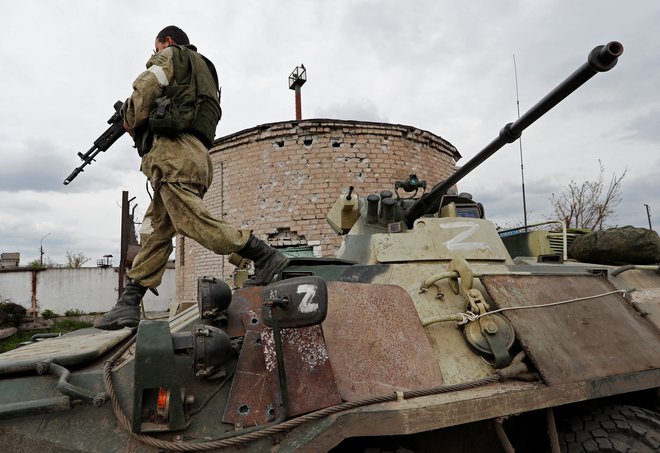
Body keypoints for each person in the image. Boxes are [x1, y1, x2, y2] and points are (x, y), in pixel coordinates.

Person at [95, 26, 287, 330]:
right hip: (195, 155)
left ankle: (263, 254)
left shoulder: (170, 56)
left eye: (156, 47)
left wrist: (130, 119)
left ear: (167, 42)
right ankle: (129, 302)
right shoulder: (204, 72)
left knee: (191, 220)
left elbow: (145, 90)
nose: (156, 53)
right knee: (157, 232)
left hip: (174, 156)